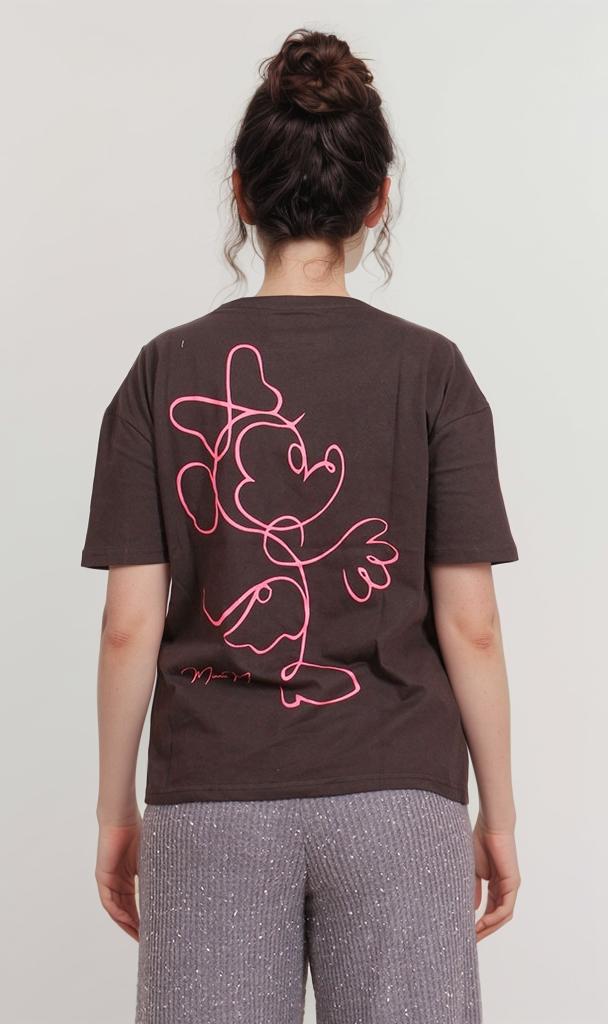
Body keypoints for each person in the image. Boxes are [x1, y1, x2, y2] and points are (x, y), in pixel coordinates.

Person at [81, 26, 521, 1024]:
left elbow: (126, 626)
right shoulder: (432, 371)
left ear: (242, 194)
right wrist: (496, 815)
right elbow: (473, 627)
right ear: (376, 201)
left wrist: (116, 810)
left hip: (212, 798)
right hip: (398, 797)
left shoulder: (164, 369)